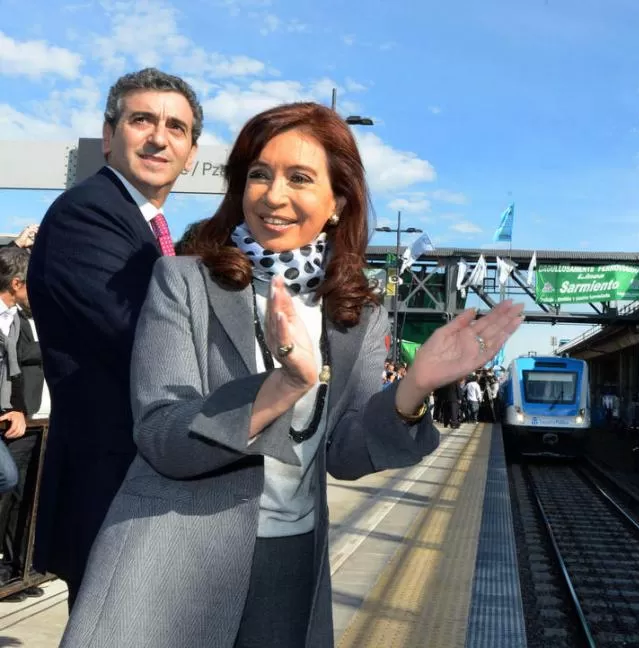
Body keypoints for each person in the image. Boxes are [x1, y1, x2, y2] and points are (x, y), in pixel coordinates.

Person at [60, 102, 523, 648]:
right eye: (260, 173)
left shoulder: (357, 312)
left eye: (300, 178)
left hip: (291, 558)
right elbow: (162, 437)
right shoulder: (183, 281)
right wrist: (282, 387)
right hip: (173, 560)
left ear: (337, 203)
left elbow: (346, 453)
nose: (273, 195)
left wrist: (414, 387)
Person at [26, 67, 202, 607]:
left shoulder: (140, 224)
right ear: (108, 135)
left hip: (137, 487)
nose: (158, 137)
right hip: (112, 489)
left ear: (192, 152)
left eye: (177, 127)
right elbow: (153, 343)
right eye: (141, 119)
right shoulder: (88, 216)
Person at [0, 245, 46, 598]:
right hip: (17, 418)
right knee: (10, 485)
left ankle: (20, 566)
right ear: (16, 283)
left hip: (32, 418)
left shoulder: (16, 318)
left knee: (26, 493)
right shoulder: (16, 320)